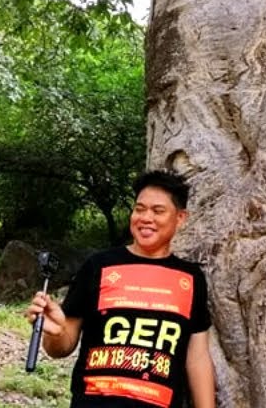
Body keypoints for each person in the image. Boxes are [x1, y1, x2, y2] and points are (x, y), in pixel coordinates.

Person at [26, 170, 216, 408]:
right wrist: (54, 333)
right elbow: (61, 348)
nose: (146, 218)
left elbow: (197, 358)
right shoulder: (99, 266)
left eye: (158, 211)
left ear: (180, 218)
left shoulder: (190, 278)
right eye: (139, 209)